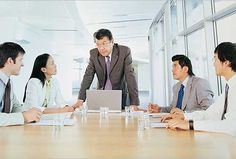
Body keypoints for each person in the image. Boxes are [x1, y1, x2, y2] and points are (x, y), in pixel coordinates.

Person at [163, 42, 236, 136]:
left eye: (215, 59)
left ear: (226, 62)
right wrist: (184, 117)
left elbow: (232, 125)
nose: (213, 64)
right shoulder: (229, 87)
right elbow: (209, 114)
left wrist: (190, 124)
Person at [77, 28, 139, 109]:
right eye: (98, 44)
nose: (101, 48)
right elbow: (88, 76)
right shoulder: (94, 54)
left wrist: (134, 102)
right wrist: (80, 99)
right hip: (102, 96)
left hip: (120, 96)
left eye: (104, 43)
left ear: (112, 41)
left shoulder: (124, 51)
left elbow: (130, 76)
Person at [148, 54, 214, 114]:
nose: (172, 70)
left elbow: (208, 109)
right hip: (175, 124)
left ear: (185, 69)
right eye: (172, 67)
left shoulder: (200, 83)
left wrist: (184, 113)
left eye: (175, 66)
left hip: (191, 125)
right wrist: (159, 109)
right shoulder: (176, 87)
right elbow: (173, 108)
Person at [0, 42, 42, 126]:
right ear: (10, 61)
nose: (22, 64)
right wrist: (23, 116)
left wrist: (30, 113)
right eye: (20, 60)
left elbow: (15, 107)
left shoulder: (8, 83)